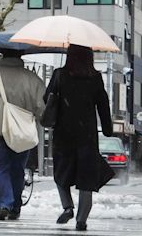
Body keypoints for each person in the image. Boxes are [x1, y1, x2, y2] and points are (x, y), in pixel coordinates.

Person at [44, 44, 113, 232]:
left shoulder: (60, 75)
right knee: (86, 178)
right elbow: (103, 105)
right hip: (87, 136)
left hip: (63, 134)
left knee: (61, 173)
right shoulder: (95, 78)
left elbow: (46, 99)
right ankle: (81, 220)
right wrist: (108, 129)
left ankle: (67, 206)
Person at [0, 49, 45, 221]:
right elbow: (43, 107)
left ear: (1, 56)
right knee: (17, 169)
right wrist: (38, 120)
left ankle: (3, 204)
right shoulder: (32, 79)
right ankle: (15, 207)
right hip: (21, 131)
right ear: (20, 57)